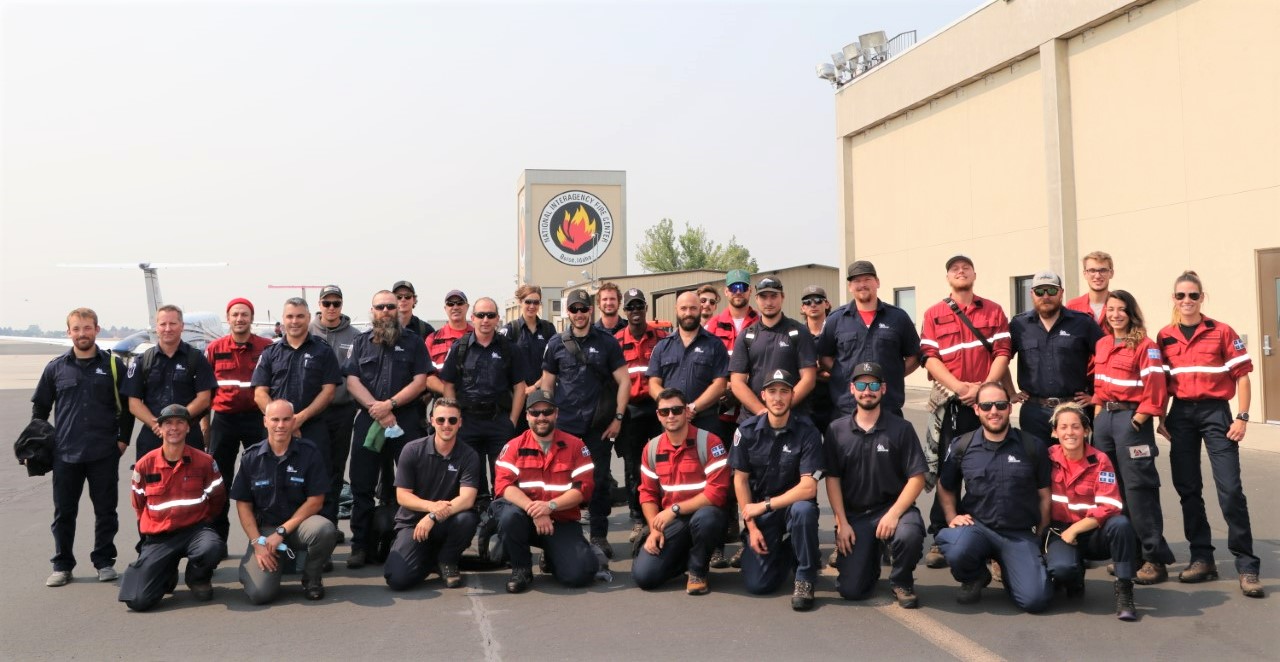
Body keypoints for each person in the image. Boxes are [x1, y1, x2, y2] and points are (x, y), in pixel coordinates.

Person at [1157, 271, 1262, 597]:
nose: (1186, 301)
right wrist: (1161, 418)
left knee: (1230, 489)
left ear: (1202, 297)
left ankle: (1246, 564)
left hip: (1217, 413)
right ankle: (1202, 558)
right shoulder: (1165, 336)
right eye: (1180, 296)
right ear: (1173, 299)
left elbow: (1242, 377)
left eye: (1193, 295)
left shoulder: (1221, 331)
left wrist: (1242, 417)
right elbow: (1159, 383)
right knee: (1188, 489)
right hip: (1181, 416)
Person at [32, 307, 135, 587]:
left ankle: (104, 561)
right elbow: (41, 408)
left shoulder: (113, 365)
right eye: (76, 329)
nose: (82, 334)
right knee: (64, 512)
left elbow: (128, 408)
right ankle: (62, 564)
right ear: (69, 332)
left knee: (105, 511)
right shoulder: (55, 367)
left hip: (104, 452)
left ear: (96, 330)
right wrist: (38, 443)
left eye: (87, 328)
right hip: (65, 453)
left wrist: (123, 439)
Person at [919, 255, 1010, 569]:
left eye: (965, 267)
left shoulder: (994, 310)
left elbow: (1002, 352)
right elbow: (929, 358)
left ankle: (993, 538)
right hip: (953, 404)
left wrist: (984, 390)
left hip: (987, 406)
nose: (960, 271)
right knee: (949, 467)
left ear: (975, 274)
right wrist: (960, 387)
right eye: (954, 269)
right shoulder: (934, 314)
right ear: (947, 277)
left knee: (990, 469)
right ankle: (942, 533)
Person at [936, 382, 1052, 613]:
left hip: (1018, 534)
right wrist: (951, 517)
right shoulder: (962, 445)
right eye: (986, 406)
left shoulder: (1032, 446)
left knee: (1035, 601)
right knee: (955, 545)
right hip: (978, 528)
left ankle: (1011, 569)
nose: (993, 411)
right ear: (977, 409)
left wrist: (1039, 534)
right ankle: (975, 576)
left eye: (1000, 405)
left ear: (1009, 408)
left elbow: (1045, 495)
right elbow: (945, 485)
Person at [343, 290, 434, 569]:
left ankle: (415, 542)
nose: (385, 311)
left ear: (399, 309)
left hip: (405, 420)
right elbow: (351, 380)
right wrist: (376, 408)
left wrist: (391, 404)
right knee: (362, 485)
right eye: (380, 307)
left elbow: (421, 381)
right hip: (370, 420)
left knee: (414, 484)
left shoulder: (414, 342)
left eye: (390, 306)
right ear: (372, 311)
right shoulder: (360, 343)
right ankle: (360, 545)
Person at [824, 362, 927, 609]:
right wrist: (842, 523)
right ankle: (868, 560)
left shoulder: (901, 429)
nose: (866, 390)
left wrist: (893, 515)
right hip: (856, 516)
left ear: (883, 389)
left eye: (872, 385)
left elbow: (917, 478)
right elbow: (832, 478)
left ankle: (901, 580)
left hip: (893, 510)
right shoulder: (836, 430)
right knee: (852, 591)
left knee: (909, 533)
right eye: (861, 384)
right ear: (852, 389)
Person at [1092, 290, 1175, 584]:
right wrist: (1099, 416)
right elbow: (1100, 386)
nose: (1115, 314)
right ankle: (1131, 555)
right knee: (1112, 490)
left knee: (1140, 490)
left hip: (1131, 420)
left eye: (1121, 310)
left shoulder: (1145, 345)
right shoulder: (1102, 344)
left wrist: (1138, 420)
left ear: (1131, 314)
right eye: (1111, 309)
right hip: (1105, 421)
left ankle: (1155, 558)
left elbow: (1155, 387)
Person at [540, 289, 629, 556]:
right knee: (561, 484)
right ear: (567, 312)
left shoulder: (607, 342)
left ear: (591, 310)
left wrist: (618, 418)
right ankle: (558, 539)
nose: (579, 314)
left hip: (597, 427)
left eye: (583, 309)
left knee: (599, 483)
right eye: (574, 309)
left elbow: (624, 380)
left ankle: (599, 536)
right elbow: (547, 384)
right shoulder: (556, 343)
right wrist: (546, 420)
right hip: (565, 427)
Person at [730, 370, 824, 611]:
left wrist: (765, 505)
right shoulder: (746, 431)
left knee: (804, 510)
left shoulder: (808, 432)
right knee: (758, 585)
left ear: (792, 395)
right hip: (762, 514)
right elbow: (740, 480)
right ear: (763, 396)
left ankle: (805, 576)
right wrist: (751, 527)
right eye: (772, 391)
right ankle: (788, 551)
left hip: (791, 507)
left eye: (784, 391)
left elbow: (808, 488)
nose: (778, 398)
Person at [490, 390, 600, 593]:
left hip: (561, 520)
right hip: (524, 520)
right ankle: (521, 569)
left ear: (556, 413)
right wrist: (536, 510)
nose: (541, 417)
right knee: (508, 515)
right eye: (535, 412)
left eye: (547, 411)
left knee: (580, 574)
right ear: (527, 416)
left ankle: (554, 556)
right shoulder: (513, 446)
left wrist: (549, 506)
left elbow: (583, 489)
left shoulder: (576, 446)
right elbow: (504, 486)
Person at [117, 405, 225, 611]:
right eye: (168, 423)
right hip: (160, 536)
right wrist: (153, 526)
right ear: (159, 428)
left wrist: (205, 522)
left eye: (180, 423)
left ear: (188, 428)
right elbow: (138, 504)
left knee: (212, 547)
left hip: (195, 531)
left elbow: (217, 498)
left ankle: (198, 577)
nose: (174, 428)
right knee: (138, 601)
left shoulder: (204, 462)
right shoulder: (144, 465)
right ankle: (167, 570)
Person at [232, 400, 337, 603]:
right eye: (275, 419)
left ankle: (312, 577)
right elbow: (243, 504)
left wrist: (282, 531)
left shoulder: (309, 453)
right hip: (265, 532)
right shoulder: (251, 457)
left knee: (324, 529)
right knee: (259, 594)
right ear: (265, 422)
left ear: (294, 421)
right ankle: (263, 568)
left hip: (298, 526)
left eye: (286, 419)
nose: (280, 425)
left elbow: (316, 501)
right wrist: (257, 544)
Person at [1043, 403, 1139, 621]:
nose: (1070, 432)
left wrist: (1076, 528)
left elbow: (1110, 505)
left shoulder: (1100, 460)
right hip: (1060, 532)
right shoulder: (1047, 457)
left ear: (1086, 430)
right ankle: (1074, 576)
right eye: (1064, 427)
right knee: (1061, 571)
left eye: (1076, 427)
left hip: (1093, 531)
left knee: (1121, 524)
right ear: (1054, 432)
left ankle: (1124, 590)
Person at [251, 297, 341, 520]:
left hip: (313, 426)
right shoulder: (270, 353)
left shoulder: (323, 351)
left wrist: (298, 419)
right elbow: (259, 393)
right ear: (282, 321)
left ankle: (323, 538)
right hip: (278, 431)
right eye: (290, 316)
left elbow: (328, 391)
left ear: (309, 318)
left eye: (300, 316)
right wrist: (282, 422)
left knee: (320, 481)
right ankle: (275, 534)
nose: (295, 321)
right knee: (275, 480)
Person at [633, 388, 730, 594]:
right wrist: (654, 529)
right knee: (645, 577)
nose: (671, 416)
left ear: (687, 412)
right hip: (674, 521)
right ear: (658, 415)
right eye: (664, 412)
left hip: (704, 514)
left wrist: (674, 509)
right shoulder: (651, 449)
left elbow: (716, 493)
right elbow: (647, 493)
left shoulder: (710, 442)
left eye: (676, 410)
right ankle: (683, 559)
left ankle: (698, 570)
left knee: (707, 518)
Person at [440, 297, 528, 510]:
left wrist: (512, 421)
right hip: (468, 421)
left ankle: (500, 516)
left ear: (498, 318)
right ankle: (477, 517)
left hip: (499, 421)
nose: (485, 320)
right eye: (480, 315)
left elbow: (520, 387)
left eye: (490, 315)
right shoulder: (460, 348)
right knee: (472, 476)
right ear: (473, 318)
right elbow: (449, 384)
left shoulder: (509, 348)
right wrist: (454, 418)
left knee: (503, 475)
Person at [384, 399, 480, 590]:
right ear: (431, 421)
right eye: (441, 420)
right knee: (397, 579)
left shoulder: (469, 455)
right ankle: (430, 559)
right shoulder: (412, 450)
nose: (446, 425)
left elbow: (467, 499)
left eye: (452, 420)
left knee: (467, 519)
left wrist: (433, 515)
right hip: (413, 524)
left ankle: (447, 560)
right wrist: (430, 507)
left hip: (446, 521)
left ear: (460, 422)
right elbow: (402, 496)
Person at [1007, 271, 1104, 443]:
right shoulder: (1018, 325)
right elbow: (1000, 358)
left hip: (1072, 409)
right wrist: (1010, 392)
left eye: (1051, 291)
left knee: (1074, 465)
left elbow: (1107, 357)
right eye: (1039, 291)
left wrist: (1098, 396)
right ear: (1031, 294)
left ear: (1061, 293)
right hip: (1034, 412)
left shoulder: (1083, 323)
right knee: (1037, 465)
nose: (1046, 296)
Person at [204, 298, 271, 545]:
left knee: (262, 478)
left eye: (244, 314)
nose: (239, 319)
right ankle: (218, 540)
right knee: (219, 481)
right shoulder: (214, 348)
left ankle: (264, 537)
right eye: (235, 314)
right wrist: (205, 424)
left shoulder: (267, 347)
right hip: (224, 421)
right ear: (228, 318)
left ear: (251, 318)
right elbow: (206, 390)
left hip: (257, 419)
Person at [818, 261, 920, 419]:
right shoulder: (836, 319)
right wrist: (844, 373)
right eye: (856, 281)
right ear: (850, 286)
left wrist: (893, 373)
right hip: (846, 410)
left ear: (877, 282)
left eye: (867, 279)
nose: (862, 285)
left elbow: (915, 356)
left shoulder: (898, 318)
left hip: (888, 408)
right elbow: (824, 357)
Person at [122, 304, 216, 458]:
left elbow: (204, 399)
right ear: (156, 327)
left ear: (182, 326)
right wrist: (157, 425)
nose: (167, 328)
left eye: (172, 324)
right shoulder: (143, 360)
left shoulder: (197, 359)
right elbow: (134, 402)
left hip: (188, 437)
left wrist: (178, 423)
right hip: (152, 438)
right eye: (163, 324)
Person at [614, 288, 668, 543]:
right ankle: (637, 517)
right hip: (631, 410)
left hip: (657, 408)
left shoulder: (661, 338)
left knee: (662, 463)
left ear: (646, 308)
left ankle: (661, 512)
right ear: (625, 312)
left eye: (639, 306)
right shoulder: (615, 342)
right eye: (631, 307)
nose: (635, 312)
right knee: (633, 466)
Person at [646, 291, 729, 454]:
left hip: (706, 422)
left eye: (693, 308)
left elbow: (720, 384)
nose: (688, 313)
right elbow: (653, 384)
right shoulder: (662, 347)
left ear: (700, 309)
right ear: (676, 309)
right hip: (672, 425)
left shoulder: (715, 345)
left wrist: (692, 408)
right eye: (683, 308)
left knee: (709, 471)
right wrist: (673, 408)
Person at [308, 285, 362, 532]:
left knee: (336, 468)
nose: (331, 308)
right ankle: (313, 525)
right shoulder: (306, 331)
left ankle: (329, 525)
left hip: (342, 410)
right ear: (319, 305)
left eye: (336, 303)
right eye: (326, 303)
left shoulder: (355, 336)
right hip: (311, 413)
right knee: (313, 467)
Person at [500, 284, 556, 395]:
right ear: (520, 302)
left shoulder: (548, 329)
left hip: (542, 393)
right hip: (517, 394)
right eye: (528, 302)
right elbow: (504, 364)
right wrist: (522, 387)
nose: (532, 306)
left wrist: (535, 387)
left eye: (536, 302)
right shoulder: (510, 330)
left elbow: (553, 363)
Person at [799, 285, 835, 434]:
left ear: (826, 304)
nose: (813, 304)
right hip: (806, 407)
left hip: (834, 405)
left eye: (818, 300)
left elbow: (843, 369)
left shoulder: (837, 332)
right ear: (802, 308)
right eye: (807, 302)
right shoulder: (797, 335)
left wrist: (810, 371)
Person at [424, 290, 473, 371]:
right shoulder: (432, 339)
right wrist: (443, 384)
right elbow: (427, 374)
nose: (455, 307)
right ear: (445, 308)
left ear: (467, 307)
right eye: (450, 304)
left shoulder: (477, 336)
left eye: (460, 303)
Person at [1066, 251, 1115, 329]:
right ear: (1085, 274)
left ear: (1111, 273)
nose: (1098, 276)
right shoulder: (1072, 307)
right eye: (1092, 270)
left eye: (1103, 270)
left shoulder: (1120, 306)